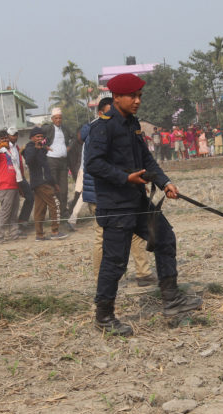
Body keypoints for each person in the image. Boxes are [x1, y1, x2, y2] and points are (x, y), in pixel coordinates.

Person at [85, 73, 202, 336]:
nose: (137, 101)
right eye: (132, 96)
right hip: (115, 206)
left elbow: (147, 160)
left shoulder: (132, 124)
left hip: (137, 201)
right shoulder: (102, 127)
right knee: (115, 262)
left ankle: (172, 300)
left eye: (139, 96)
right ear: (116, 98)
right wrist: (124, 177)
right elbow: (93, 164)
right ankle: (104, 317)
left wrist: (165, 182)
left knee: (165, 239)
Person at [82, 98, 154, 286]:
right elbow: (98, 166)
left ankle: (143, 273)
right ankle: (101, 279)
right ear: (100, 114)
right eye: (109, 113)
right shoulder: (98, 132)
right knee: (102, 237)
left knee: (137, 232)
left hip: (124, 192)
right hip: (102, 195)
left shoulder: (119, 129)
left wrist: (136, 181)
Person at [23, 126, 67, 241]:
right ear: (32, 138)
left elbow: (46, 168)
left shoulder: (42, 148)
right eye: (37, 136)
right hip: (41, 182)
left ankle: (39, 235)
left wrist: (54, 183)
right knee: (55, 204)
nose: (40, 138)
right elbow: (28, 160)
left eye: (41, 136)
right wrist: (36, 148)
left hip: (44, 182)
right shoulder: (30, 147)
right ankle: (55, 231)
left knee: (40, 209)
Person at [0, 130, 23, 243]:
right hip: (5, 186)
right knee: (5, 212)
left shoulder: (11, 151)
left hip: (14, 184)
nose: (5, 141)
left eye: (6, 139)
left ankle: (14, 233)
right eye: (2, 139)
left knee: (14, 212)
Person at [43, 108, 73, 221]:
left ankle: (63, 212)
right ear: (52, 119)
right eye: (56, 118)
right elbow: (40, 138)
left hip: (63, 162)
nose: (58, 120)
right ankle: (53, 214)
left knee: (64, 189)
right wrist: (45, 147)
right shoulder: (49, 128)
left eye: (60, 117)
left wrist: (69, 147)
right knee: (53, 188)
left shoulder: (64, 129)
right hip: (52, 161)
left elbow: (73, 137)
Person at [7, 127, 34, 230]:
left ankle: (22, 220)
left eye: (16, 135)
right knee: (12, 203)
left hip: (20, 177)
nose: (15, 137)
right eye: (13, 135)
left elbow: (20, 164)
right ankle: (9, 226)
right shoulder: (6, 148)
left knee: (30, 197)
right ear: (8, 136)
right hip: (11, 179)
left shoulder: (17, 148)